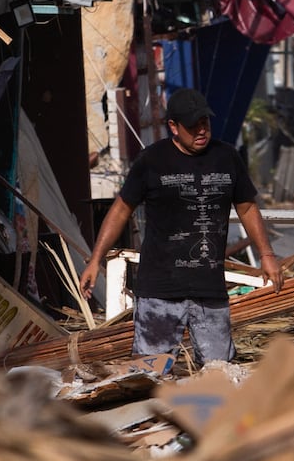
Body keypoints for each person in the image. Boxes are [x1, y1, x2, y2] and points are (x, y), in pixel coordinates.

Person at [78, 88, 281, 367]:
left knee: (219, 373)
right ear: (173, 127)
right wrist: (96, 259)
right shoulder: (151, 161)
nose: (201, 131)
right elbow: (121, 209)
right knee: (151, 374)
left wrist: (267, 255)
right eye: (192, 125)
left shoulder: (227, 157)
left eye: (205, 123)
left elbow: (247, 206)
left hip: (210, 290)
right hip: (159, 292)